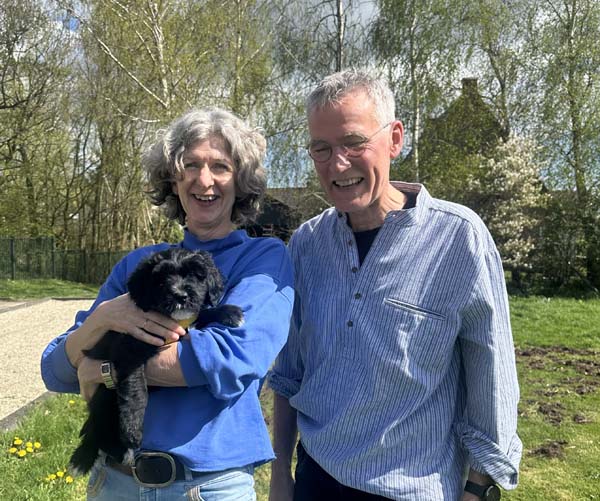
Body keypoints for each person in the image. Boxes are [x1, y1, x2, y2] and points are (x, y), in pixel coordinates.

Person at [268, 69, 521, 501]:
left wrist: (478, 489)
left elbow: (491, 374)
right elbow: (290, 373)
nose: (338, 164)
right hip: (316, 477)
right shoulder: (308, 244)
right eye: (321, 148)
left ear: (395, 139)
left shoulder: (459, 238)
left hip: (413, 489)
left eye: (354, 143)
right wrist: (280, 476)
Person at [41, 107, 294, 500]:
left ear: (241, 180)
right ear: (172, 180)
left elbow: (229, 358)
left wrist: (103, 368)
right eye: (190, 165)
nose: (204, 180)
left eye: (220, 166)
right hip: (116, 482)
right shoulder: (140, 265)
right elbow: (56, 368)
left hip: (208, 486)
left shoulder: (263, 260)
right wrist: (101, 320)